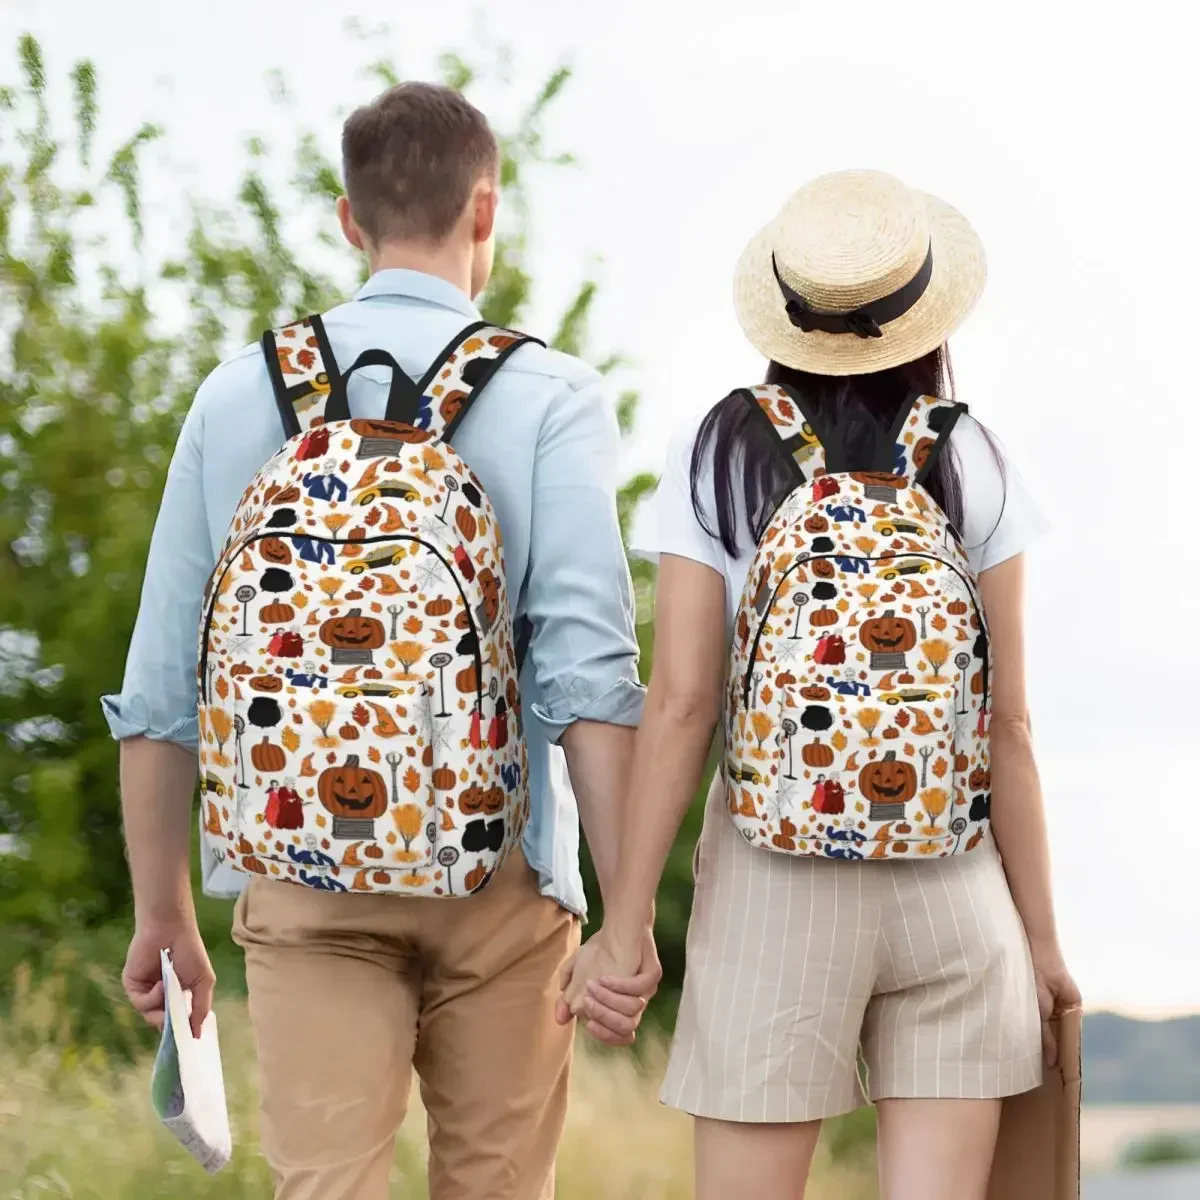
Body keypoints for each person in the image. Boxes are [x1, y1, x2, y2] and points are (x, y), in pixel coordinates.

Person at [104, 81, 660, 1200]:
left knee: (326, 1186)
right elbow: (590, 679)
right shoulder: (551, 394)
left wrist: (163, 912)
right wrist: (627, 915)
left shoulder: (236, 395)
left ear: (350, 220)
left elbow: (164, 684)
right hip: (500, 874)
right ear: (485, 212)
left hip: (299, 866)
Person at [560, 169, 1080, 1199]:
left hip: (774, 881)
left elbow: (682, 705)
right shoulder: (973, 455)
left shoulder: (718, 449)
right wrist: (1043, 943)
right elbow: (1009, 726)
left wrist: (624, 927)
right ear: (925, 315)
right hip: (954, 883)